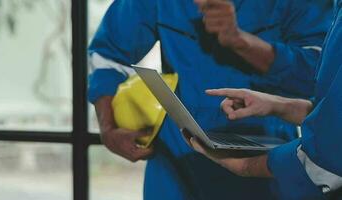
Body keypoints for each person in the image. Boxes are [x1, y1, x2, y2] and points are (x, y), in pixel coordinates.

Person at [88, 0, 333, 199]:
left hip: (265, 162)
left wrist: (241, 41)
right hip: (175, 162)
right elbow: (107, 55)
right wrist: (108, 127)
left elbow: (319, 78)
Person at [189, 2, 342, 199]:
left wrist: (247, 167)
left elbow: (327, 159)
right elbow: (331, 105)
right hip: (175, 160)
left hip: (284, 165)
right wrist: (279, 105)